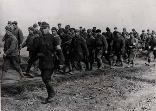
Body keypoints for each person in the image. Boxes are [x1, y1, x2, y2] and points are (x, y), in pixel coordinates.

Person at [33, 22, 64, 103]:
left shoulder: (53, 38)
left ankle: (51, 94)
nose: (43, 30)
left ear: (48, 28)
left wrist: (61, 62)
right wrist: (37, 54)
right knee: (44, 78)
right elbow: (36, 50)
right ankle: (50, 93)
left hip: (50, 61)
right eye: (42, 28)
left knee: (46, 78)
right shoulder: (39, 38)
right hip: (42, 62)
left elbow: (59, 51)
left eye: (44, 28)